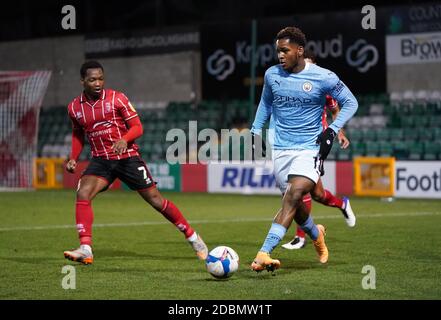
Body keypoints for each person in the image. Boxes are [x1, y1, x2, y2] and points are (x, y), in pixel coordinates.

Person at [63, 61, 208, 265]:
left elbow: (138, 127)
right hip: (101, 160)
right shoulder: (74, 108)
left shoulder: (117, 98)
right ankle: (86, 248)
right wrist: (73, 157)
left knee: (156, 200)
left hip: (127, 158)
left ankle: (193, 237)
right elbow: (78, 133)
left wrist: (124, 139)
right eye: (92, 79)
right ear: (82, 81)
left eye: (101, 78)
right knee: (83, 193)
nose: (98, 83)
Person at [250, 27, 358, 271]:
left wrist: (333, 129)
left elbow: (351, 102)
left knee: (294, 195)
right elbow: (265, 103)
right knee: (297, 208)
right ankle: (316, 235)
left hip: (310, 148)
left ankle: (263, 253)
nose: (280, 55)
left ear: (299, 51)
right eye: (277, 51)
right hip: (280, 150)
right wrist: (255, 130)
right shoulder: (271, 75)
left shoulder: (323, 77)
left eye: (285, 50)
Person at [281, 51, 356, 250]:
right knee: (318, 194)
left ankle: (301, 237)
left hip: (316, 143)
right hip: (297, 142)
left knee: (300, 184)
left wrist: (338, 132)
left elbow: (335, 110)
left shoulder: (323, 87)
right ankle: (342, 204)